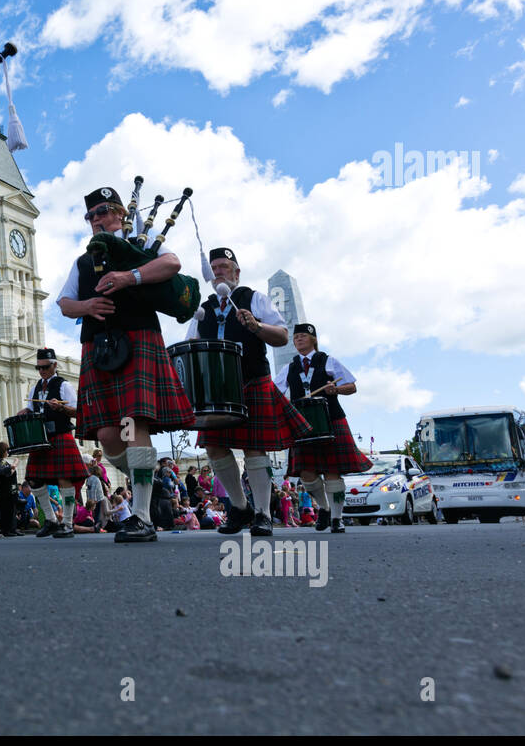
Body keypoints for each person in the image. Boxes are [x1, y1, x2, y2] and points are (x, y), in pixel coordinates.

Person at [56, 188, 197, 543]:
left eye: (102, 212)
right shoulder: (83, 261)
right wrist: (87, 306)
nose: (96, 219)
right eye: (90, 215)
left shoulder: (142, 246)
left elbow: (173, 265)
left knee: (133, 424)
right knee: (107, 435)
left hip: (137, 340)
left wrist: (129, 277)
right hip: (98, 347)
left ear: (120, 213)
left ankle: (143, 516)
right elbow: (64, 303)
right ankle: (144, 481)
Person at [190, 247, 309, 538]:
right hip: (216, 389)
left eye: (225, 266)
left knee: (254, 448)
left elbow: (281, 336)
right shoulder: (203, 309)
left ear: (236, 272)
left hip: (251, 380)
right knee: (214, 448)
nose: (219, 271)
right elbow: (190, 347)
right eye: (214, 267)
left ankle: (263, 514)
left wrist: (256, 326)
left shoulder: (253, 298)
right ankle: (240, 507)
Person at [273, 323, 371, 534]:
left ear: (313, 339)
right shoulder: (288, 368)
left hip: (331, 419)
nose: (298, 339)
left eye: (302, 336)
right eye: (296, 337)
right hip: (301, 423)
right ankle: (324, 508)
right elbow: (276, 393)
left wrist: (335, 389)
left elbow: (352, 387)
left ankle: (337, 518)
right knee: (307, 474)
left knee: (333, 471)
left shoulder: (328, 361)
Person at [20, 348, 88, 538]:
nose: (41, 371)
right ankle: (50, 520)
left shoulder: (63, 385)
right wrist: (25, 411)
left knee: (64, 479)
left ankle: (67, 523)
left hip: (60, 435)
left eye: (45, 367)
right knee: (33, 479)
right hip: (41, 438)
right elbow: (31, 408)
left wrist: (62, 407)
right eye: (38, 368)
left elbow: (77, 411)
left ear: (55, 365)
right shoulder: (35, 388)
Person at [0, 441, 22, 536]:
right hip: (6, 490)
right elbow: (8, 473)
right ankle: (7, 529)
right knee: (7, 510)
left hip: (10, 489)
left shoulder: (2, 461)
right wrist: (14, 464)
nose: (8, 452)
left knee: (12, 510)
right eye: (7, 450)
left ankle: (12, 528)